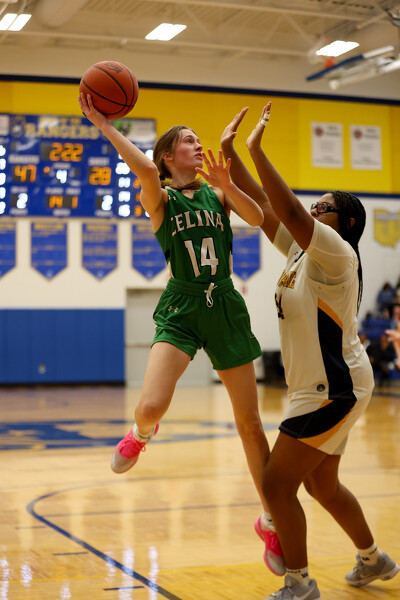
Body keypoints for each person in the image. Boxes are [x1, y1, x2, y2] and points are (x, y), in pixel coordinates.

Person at [78, 92, 285, 576]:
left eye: (197, 138)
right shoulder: (161, 198)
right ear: (169, 156)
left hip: (224, 304)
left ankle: (271, 520)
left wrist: (227, 184)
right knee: (151, 406)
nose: (197, 144)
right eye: (188, 140)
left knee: (251, 424)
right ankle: (140, 434)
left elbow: (258, 218)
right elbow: (144, 170)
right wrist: (104, 125)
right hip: (182, 305)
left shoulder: (218, 193)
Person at [221, 103, 400, 600]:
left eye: (324, 207)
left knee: (277, 486)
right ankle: (373, 559)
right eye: (315, 206)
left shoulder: (338, 253)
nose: (314, 210)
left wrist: (258, 150)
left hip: (332, 388)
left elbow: (292, 212)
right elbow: (265, 207)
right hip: (325, 385)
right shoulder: (303, 252)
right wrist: (229, 154)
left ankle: (299, 584)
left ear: (345, 222)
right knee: (322, 486)